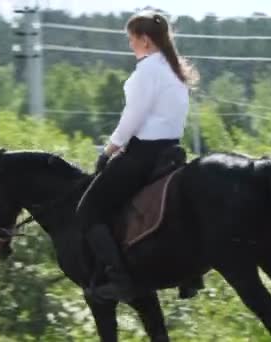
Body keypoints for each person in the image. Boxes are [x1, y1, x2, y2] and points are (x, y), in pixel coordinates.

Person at [76, 10, 199, 302]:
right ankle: (192, 275)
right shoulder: (174, 69)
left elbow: (133, 117)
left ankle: (120, 281)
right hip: (172, 151)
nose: (130, 45)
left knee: (87, 211)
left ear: (144, 40)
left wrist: (109, 149)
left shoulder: (147, 72)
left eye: (131, 39)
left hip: (144, 154)